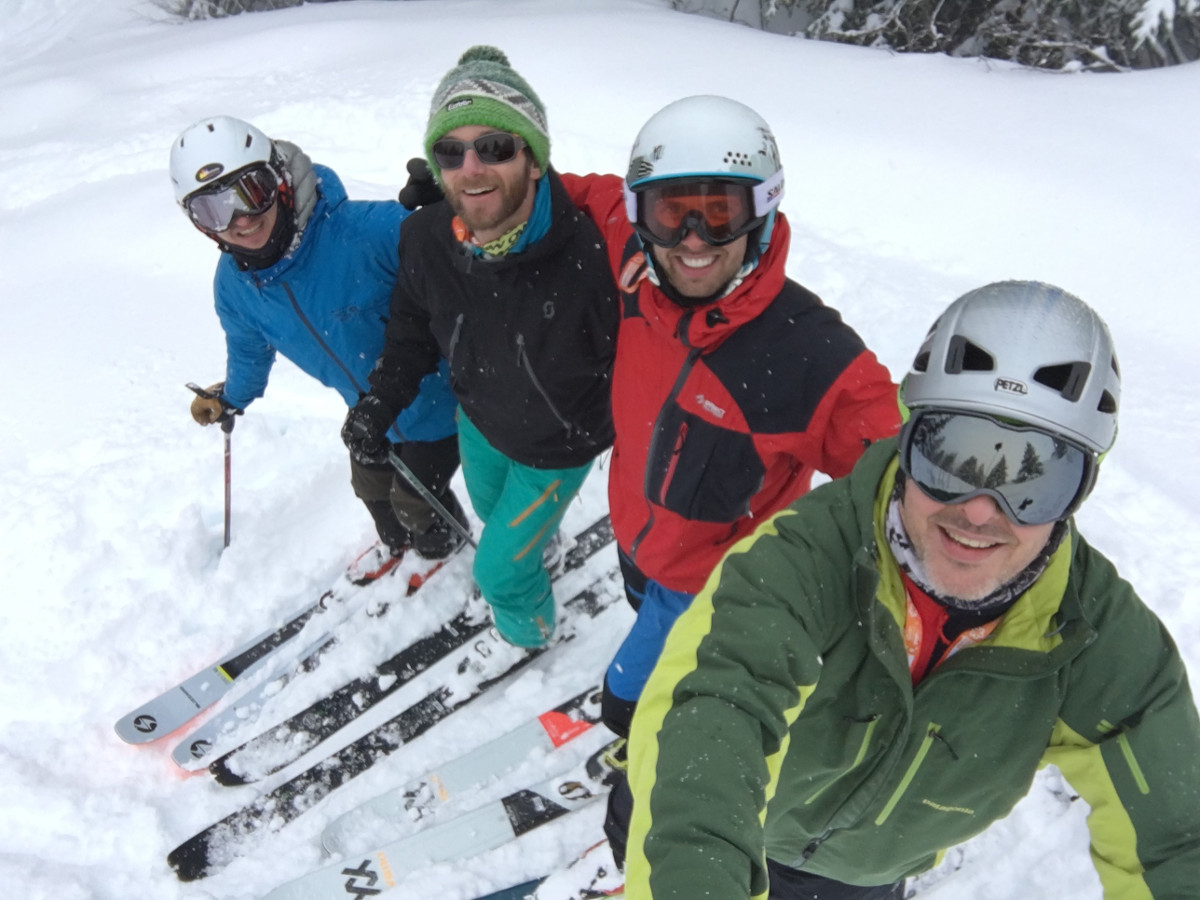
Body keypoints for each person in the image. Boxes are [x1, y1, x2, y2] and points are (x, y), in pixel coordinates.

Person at [620, 281, 1200, 898]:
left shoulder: (1097, 643)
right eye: (951, 458)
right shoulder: (803, 559)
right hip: (743, 833)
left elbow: (1178, 841)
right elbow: (714, 718)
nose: (979, 513)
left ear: (1080, 493)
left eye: (1033, 481)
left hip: (864, 879)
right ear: (907, 438)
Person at [559, 95, 901, 736]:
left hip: (713, 584)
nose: (692, 241)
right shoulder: (638, 270)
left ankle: (657, 735)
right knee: (641, 600)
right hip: (636, 537)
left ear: (764, 213)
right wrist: (482, 193)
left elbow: (909, 466)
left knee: (626, 707)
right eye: (671, 214)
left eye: (720, 214)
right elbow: (588, 193)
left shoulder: (806, 354)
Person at [341, 47, 619, 647]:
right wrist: (378, 403)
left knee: (498, 570)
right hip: (480, 422)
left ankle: (528, 635)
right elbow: (411, 334)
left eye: (494, 146)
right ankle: (540, 550)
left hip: (559, 446)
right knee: (495, 516)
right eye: (451, 151)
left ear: (535, 158)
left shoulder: (595, 251)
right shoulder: (425, 237)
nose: (472, 168)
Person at [170, 115, 464, 561]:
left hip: (440, 405)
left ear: (281, 181)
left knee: (416, 500)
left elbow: (472, 253)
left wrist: (453, 213)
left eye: (251, 191)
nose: (241, 218)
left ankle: (444, 549)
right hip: (368, 411)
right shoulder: (234, 287)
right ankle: (399, 546)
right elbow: (249, 351)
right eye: (213, 209)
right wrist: (232, 397)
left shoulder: (365, 232)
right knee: (371, 490)